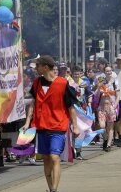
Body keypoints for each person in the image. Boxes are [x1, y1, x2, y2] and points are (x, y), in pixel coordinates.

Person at [22, 55, 79, 192]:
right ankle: (50, 188)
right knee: (46, 158)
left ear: (45, 67)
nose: (36, 69)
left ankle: (54, 189)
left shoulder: (63, 84)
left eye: (38, 66)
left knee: (54, 156)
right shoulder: (36, 83)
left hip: (58, 125)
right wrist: (27, 122)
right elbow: (33, 104)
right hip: (41, 125)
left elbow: (71, 107)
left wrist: (75, 126)